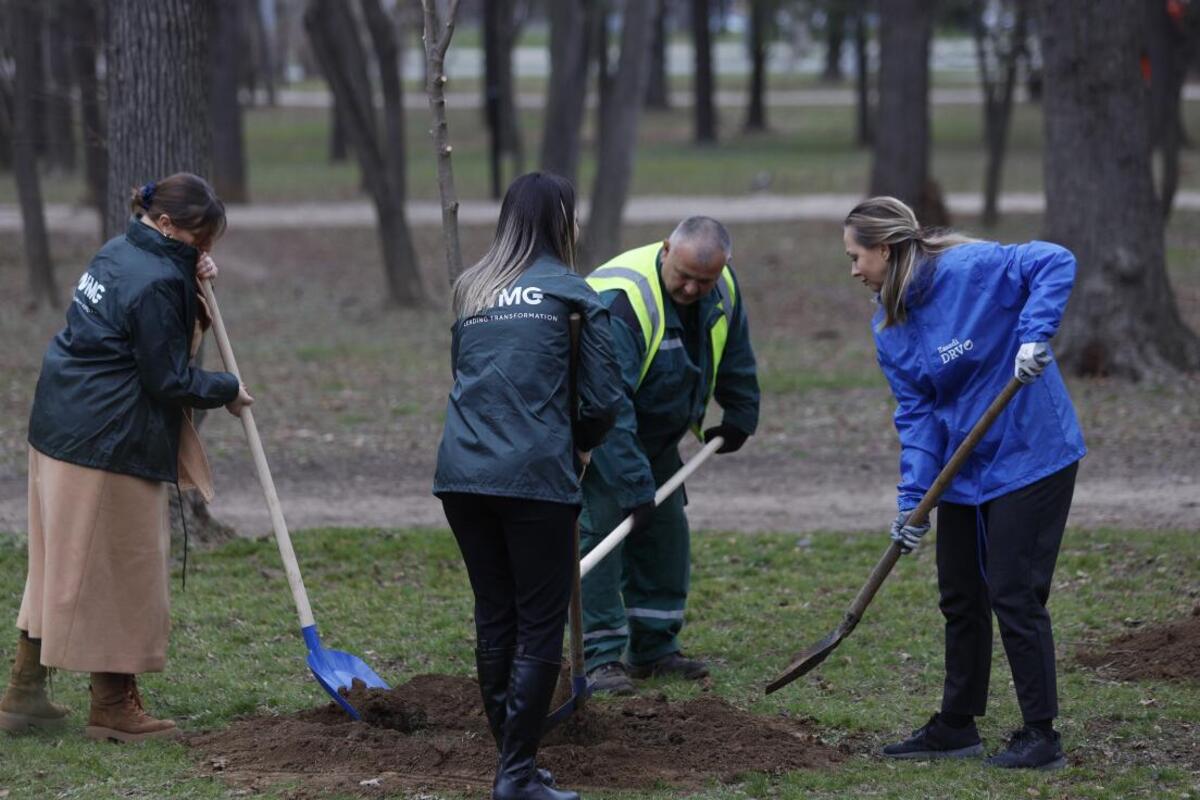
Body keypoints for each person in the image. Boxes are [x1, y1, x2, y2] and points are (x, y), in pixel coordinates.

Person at [0, 173, 253, 742]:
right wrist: (226, 388)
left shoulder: (118, 251)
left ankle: (24, 693)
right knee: (121, 571)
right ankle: (113, 707)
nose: (202, 249)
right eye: (198, 239)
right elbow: (168, 377)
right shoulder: (157, 279)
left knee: (58, 565)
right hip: (106, 440)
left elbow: (143, 332)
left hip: (62, 426)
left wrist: (192, 278)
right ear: (165, 224)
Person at [842, 196, 1086, 770]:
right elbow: (918, 416)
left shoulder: (970, 269)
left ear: (885, 249)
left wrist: (1033, 334)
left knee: (1012, 590)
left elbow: (1055, 260)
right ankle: (957, 724)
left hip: (1030, 451)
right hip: (965, 467)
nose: (853, 270)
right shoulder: (891, 327)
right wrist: (913, 502)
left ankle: (1041, 734)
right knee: (960, 594)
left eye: (856, 256)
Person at [433, 172, 621, 800]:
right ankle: (514, 775)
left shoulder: (472, 290)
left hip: (462, 474)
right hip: (535, 476)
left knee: (495, 616)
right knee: (540, 624)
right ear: (563, 221)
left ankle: (513, 763)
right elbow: (602, 399)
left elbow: (465, 375)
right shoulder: (576, 294)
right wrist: (583, 444)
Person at [580, 217, 760, 694]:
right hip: (595, 433)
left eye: (705, 280)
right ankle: (599, 657)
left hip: (656, 433)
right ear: (666, 250)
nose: (693, 288)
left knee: (665, 533)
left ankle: (654, 648)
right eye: (684, 276)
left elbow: (734, 348)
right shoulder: (621, 302)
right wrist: (634, 486)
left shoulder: (722, 287)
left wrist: (741, 410)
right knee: (603, 533)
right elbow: (608, 404)